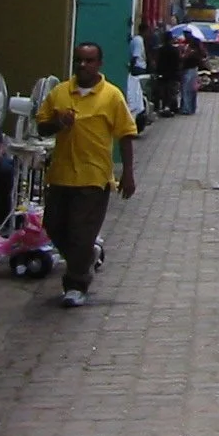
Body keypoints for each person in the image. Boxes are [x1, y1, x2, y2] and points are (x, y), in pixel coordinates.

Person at [34, 43, 137, 307]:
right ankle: (86, 256)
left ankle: (76, 283)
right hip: (61, 175)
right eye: (79, 60)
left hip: (94, 177)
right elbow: (42, 127)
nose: (83, 65)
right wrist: (59, 123)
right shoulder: (60, 93)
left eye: (89, 61)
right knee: (55, 227)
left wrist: (128, 173)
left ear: (99, 64)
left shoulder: (111, 96)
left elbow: (125, 135)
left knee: (81, 233)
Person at [154, 31, 181, 117]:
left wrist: (158, 72)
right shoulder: (175, 50)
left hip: (162, 74)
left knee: (163, 92)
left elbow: (158, 62)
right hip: (172, 75)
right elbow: (178, 62)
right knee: (171, 92)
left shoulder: (160, 50)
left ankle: (163, 107)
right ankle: (169, 108)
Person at [179, 35, 203, 114]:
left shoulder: (192, 52)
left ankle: (186, 109)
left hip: (188, 71)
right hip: (194, 71)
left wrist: (183, 53)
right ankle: (192, 108)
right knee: (192, 91)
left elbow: (183, 59)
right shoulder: (198, 52)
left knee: (186, 90)